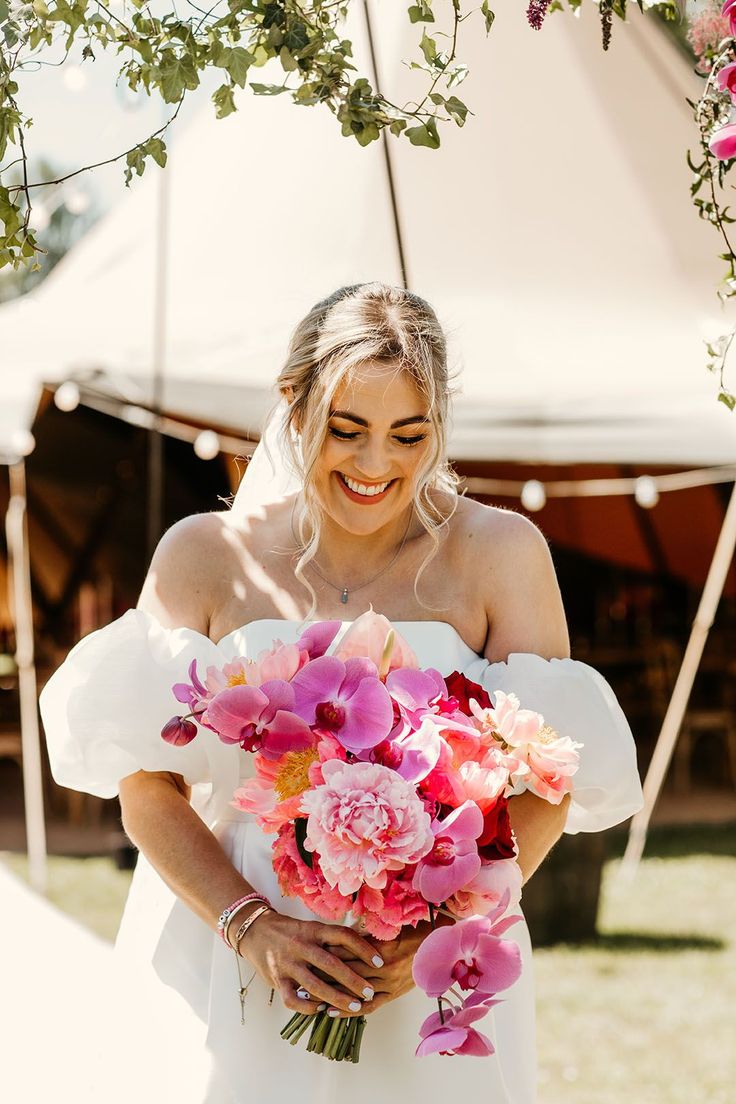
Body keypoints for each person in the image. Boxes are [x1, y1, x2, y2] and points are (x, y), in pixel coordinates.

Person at [40, 282, 644, 1103]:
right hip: (229, 955)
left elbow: (547, 779)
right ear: (295, 406)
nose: (374, 465)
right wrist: (252, 928)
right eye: (347, 430)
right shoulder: (205, 557)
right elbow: (146, 787)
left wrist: (437, 931)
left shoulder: (502, 553)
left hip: (430, 966)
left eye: (408, 435)